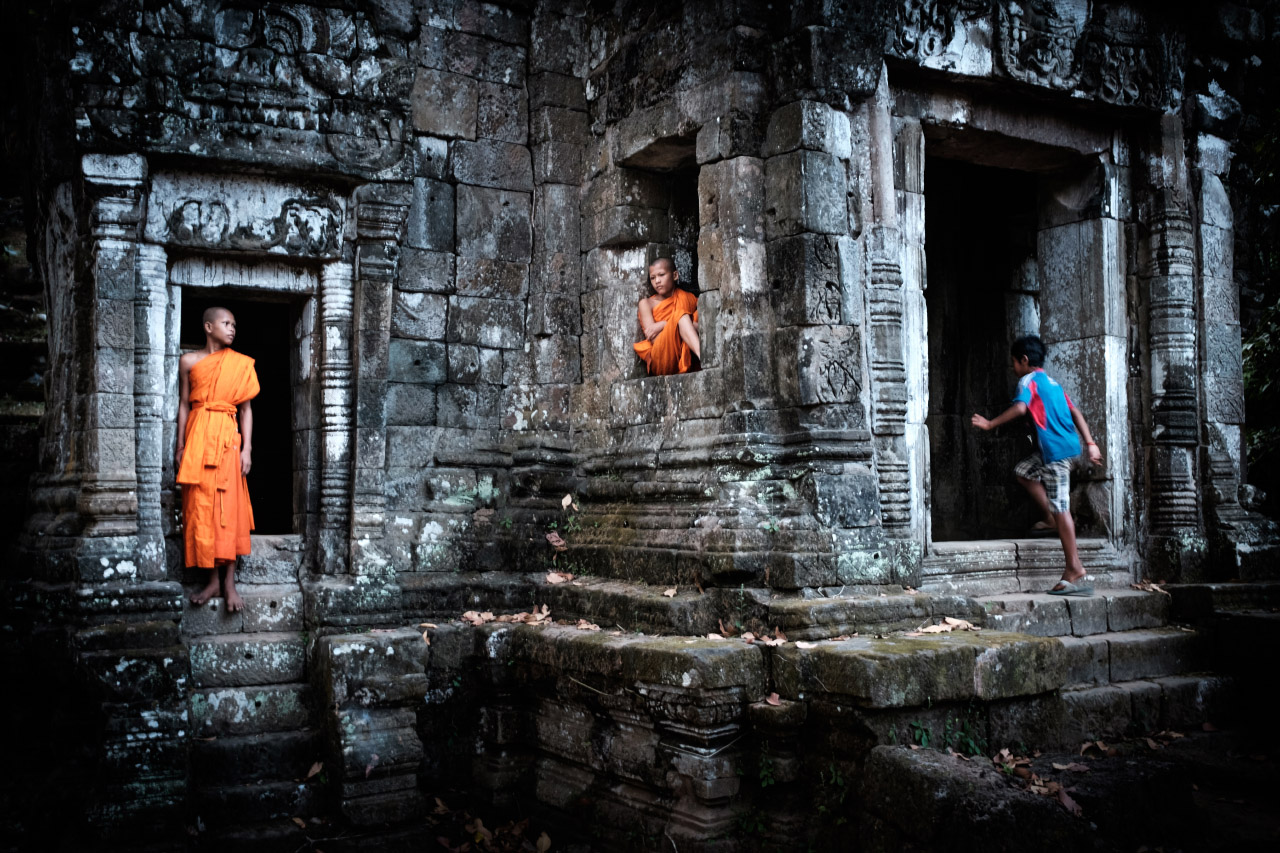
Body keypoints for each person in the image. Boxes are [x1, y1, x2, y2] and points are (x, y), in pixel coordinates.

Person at [970, 334, 1103, 596]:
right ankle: (1051, 519)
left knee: (1061, 507)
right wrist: (1090, 443)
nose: (1013, 368)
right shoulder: (1053, 383)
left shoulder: (1028, 381)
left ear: (1024, 360)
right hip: (1065, 449)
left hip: (1056, 454)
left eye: (1013, 363)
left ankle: (1075, 568)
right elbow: (1075, 413)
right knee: (1024, 472)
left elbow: (1020, 409)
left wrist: (989, 424)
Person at [177, 307, 260, 611]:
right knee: (201, 505)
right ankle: (212, 579)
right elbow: (184, 405)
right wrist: (181, 445)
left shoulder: (239, 364)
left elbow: (246, 410)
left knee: (230, 506)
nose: (232, 328)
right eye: (226, 323)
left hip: (228, 440)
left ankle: (229, 582)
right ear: (208, 326)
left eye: (234, 324)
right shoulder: (188, 361)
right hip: (198, 437)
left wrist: (246, 449)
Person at [634, 257, 700, 375]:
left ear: (674, 275)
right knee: (682, 316)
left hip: (685, 353)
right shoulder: (646, 304)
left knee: (688, 315)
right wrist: (674, 322)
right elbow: (653, 336)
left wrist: (664, 324)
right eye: (653, 278)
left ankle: (703, 359)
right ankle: (704, 358)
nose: (657, 281)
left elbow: (701, 327)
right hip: (662, 357)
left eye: (661, 275)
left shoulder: (688, 298)